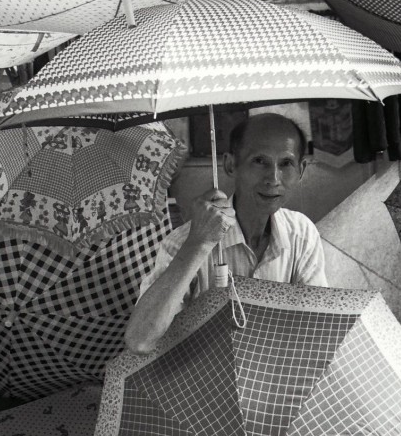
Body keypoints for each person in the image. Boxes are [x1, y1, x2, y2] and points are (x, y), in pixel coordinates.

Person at [125, 113, 327, 354]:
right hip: (205, 378)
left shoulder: (301, 234)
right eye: (259, 161)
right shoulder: (183, 243)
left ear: (301, 170)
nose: (273, 178)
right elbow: (139, 341)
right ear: (231, 165)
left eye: (286, 164)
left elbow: (317, 328)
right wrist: (199, 244)